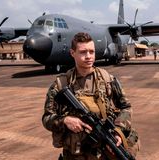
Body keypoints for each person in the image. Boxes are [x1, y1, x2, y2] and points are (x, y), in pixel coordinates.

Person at [42, 32, 139, 160]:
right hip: (74, 155)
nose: (88, 56)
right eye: (83, 52)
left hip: (105, 153)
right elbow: (47, 119)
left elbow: (126, 107)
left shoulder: (108, 80)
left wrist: (118, 131)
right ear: (72, 53)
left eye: (91, 52)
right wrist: (65, 121)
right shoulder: (61, 84)